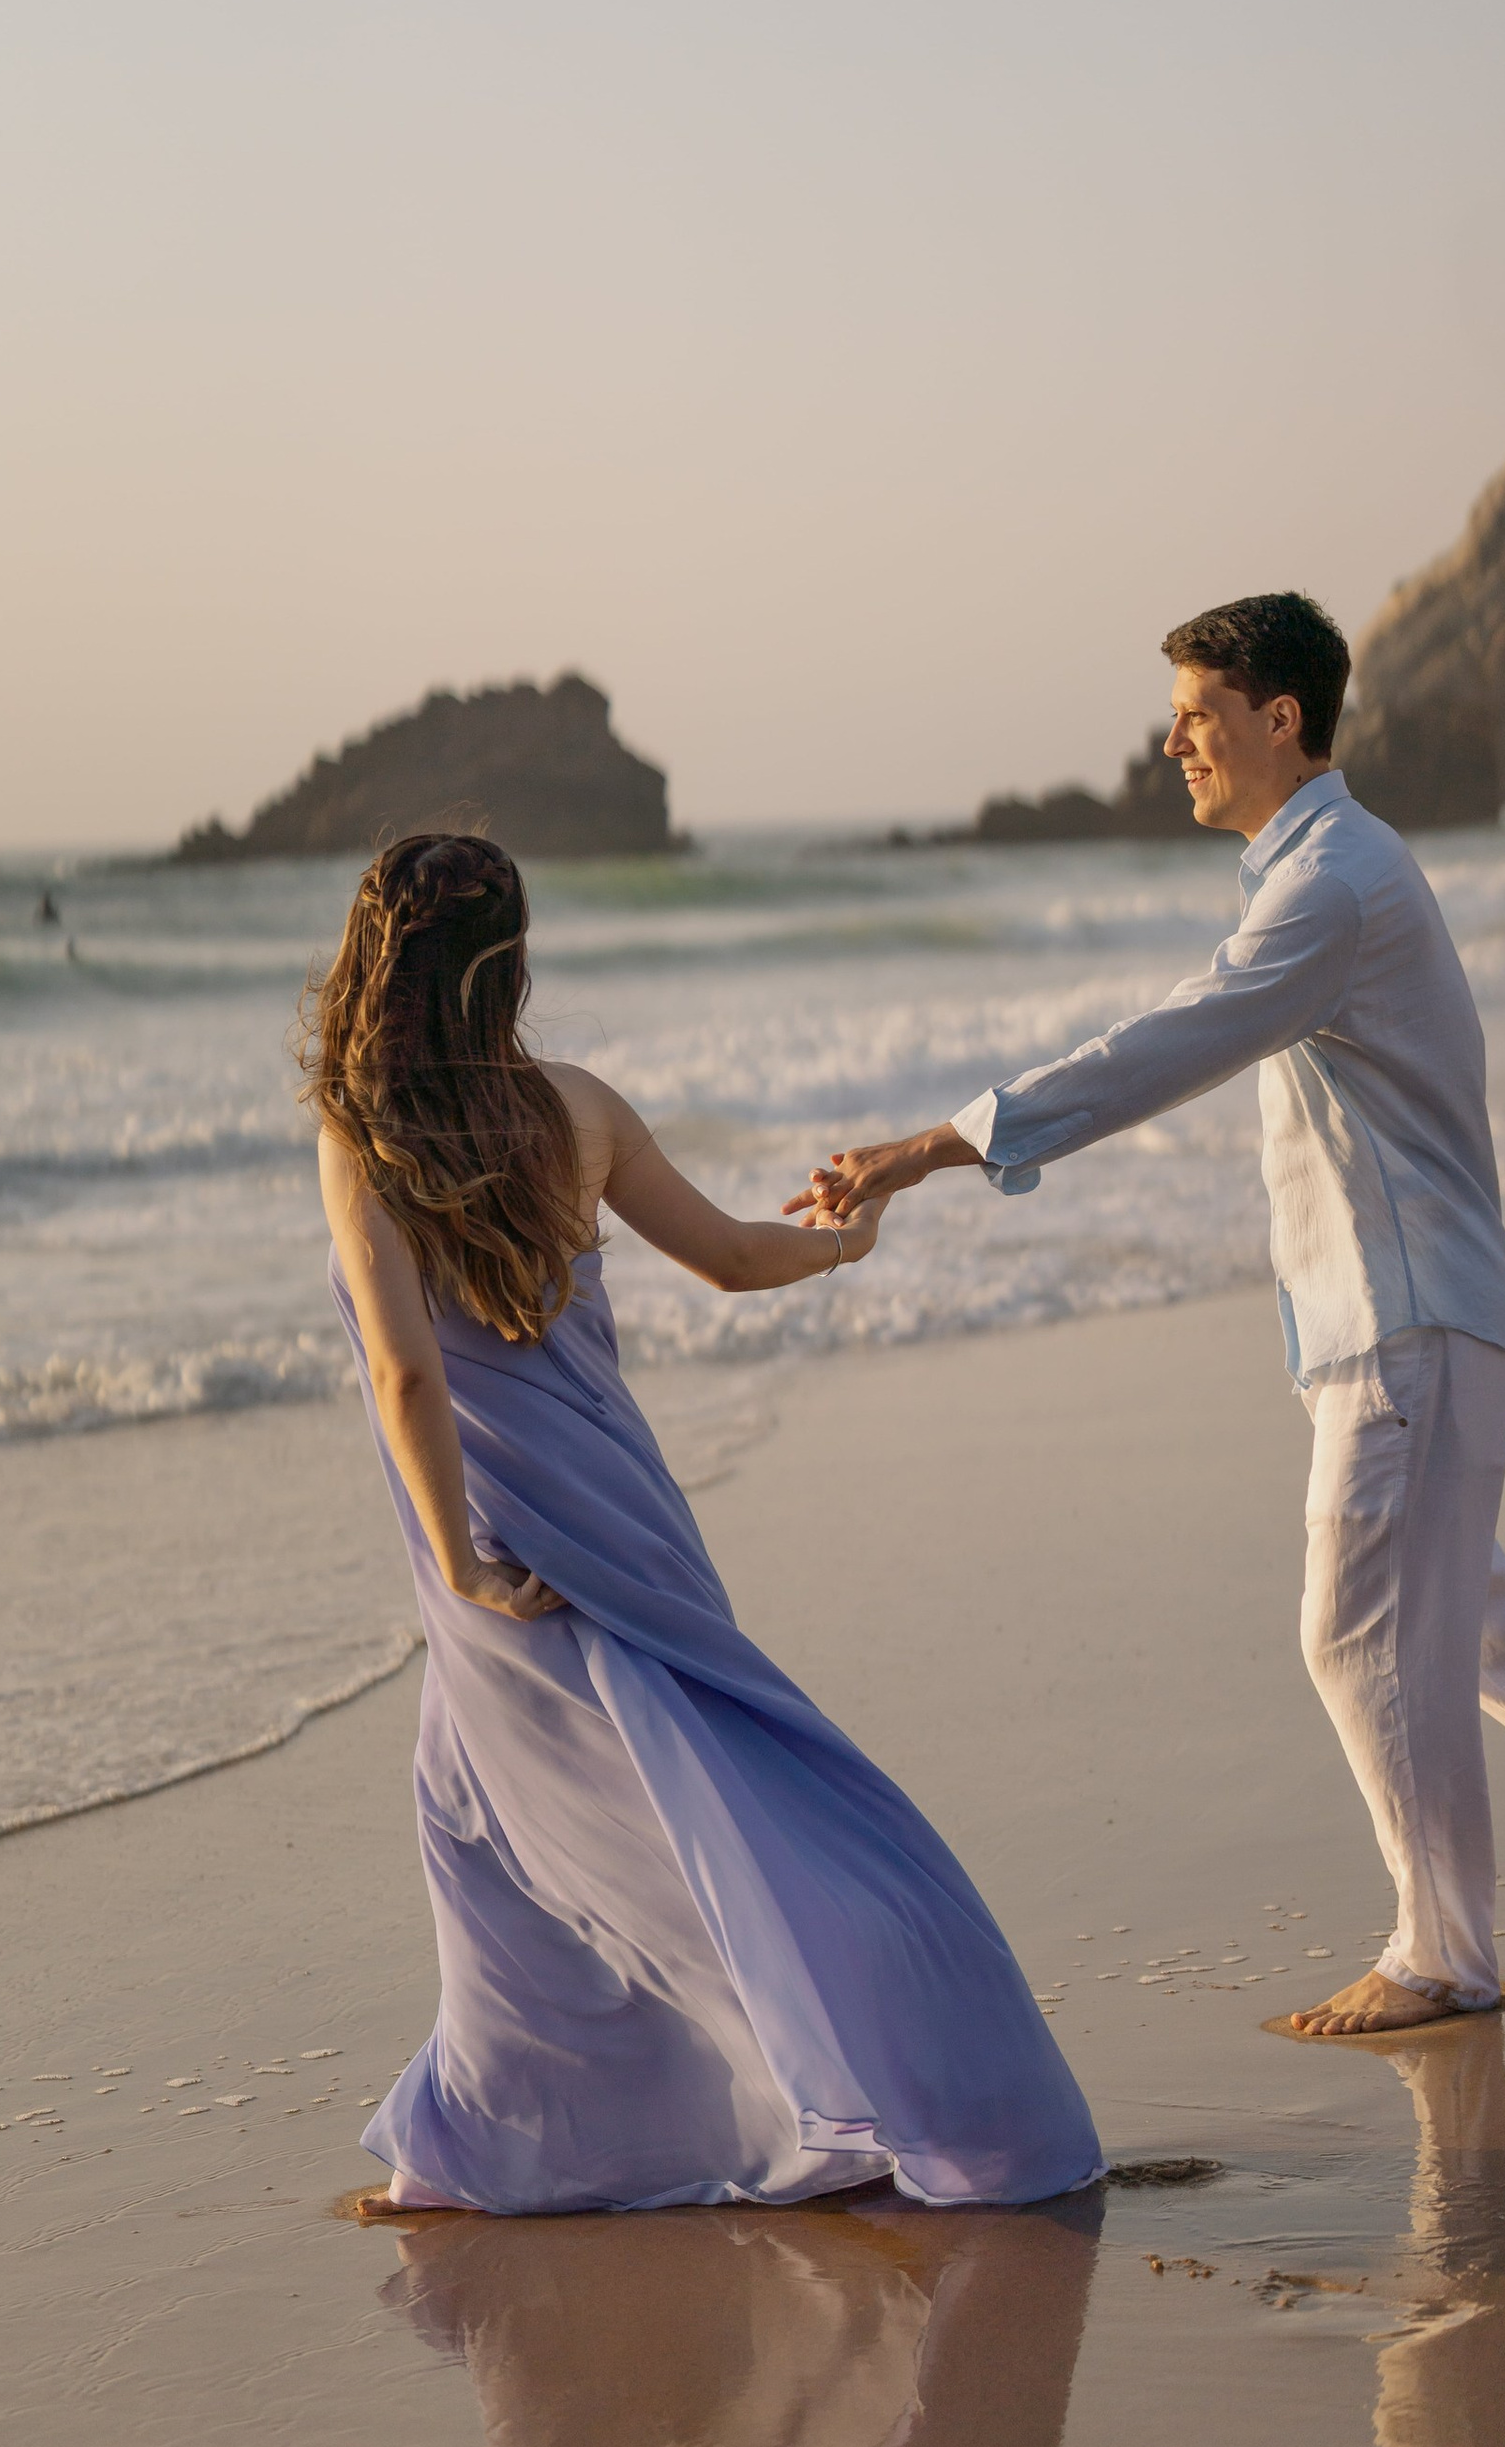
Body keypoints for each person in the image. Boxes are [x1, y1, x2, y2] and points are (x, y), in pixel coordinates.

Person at [790, 592, 1505, 2040]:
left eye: (1195, 711)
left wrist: (930, 1147)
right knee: (1473, 1619)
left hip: (1412, 1322)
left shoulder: (1331, 888)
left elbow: (1166, 1045)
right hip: (1412, 1316)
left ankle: (1442, 1951)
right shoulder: (1327, 870)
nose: (1171, 739)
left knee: (1356, 1626)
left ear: (1277, 717)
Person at [306, 830, 1101, 2213]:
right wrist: (850, 1238)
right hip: (623, 1497)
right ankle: (529, 2123)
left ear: (377, 962)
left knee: (542, 1820)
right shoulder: (577, 1108)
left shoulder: (361, 1141)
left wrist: (462, 1567)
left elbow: (404, 1371)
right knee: (660, 1784)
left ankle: (665, 2106)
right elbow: (734, 1257)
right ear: (506, 965)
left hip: (498, 1531)